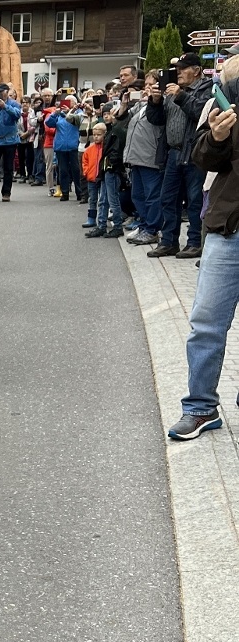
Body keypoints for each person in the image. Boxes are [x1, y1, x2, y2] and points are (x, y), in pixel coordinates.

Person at [167, 90, 239, 440]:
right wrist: (217, 136)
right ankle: (200, 407)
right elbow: (202, 158)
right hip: (228, 228)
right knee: (206, 323)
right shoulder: (230, 97)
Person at [149, 53, 213, 259]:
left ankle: (195, 243)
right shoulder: (172, 90)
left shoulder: (207, 89)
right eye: (176, 69)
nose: (178, 72)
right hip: (173, 152)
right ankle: (169, 242)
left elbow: (202, 113)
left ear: (196, 70)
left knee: (195, 200)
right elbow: (156, 120)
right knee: (168, 199)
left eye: (183, 68)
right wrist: (155, 102)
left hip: (195, 153)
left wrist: (181, 96)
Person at [122, 72, 166, 246]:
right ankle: (144, 225)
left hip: (150, 157)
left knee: (152, 196)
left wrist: (154, 100)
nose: (147, 88)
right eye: (146, 85)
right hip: (135, 157)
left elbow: (158, 120)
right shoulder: (141, 106)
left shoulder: (161, 104)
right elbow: (122, 119)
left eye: (151, 85)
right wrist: (124, 103)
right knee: (138, 196)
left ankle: (152, 229)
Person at [88, 106, 126, 238]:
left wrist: (112, 164)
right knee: (103, 199)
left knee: (112, 199)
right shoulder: (110, 130)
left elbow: (117, 150)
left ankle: (117, 226)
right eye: (104, 114)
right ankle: (101, 226)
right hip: (106, 168)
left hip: (112, 169)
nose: (106, 116)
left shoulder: (118, 130)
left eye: (109, 113)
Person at [45, 97, 82, 202]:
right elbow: (48, 123)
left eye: (71, 102)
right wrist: (55, 113)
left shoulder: (79, 114)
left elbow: (79, 122)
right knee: (62, 170)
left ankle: (80, 192)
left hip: (74, 146)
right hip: (61, 146)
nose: (68, 104)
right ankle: (64, 192)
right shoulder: (59, 115)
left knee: (76, 170)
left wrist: (70, 112)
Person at [82, 122, 106, 229]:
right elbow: (85, 162)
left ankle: (102, 218)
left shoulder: (105, 149)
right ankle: (91, 218)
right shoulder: (89, 150)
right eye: (94, 135)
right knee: (92, 199)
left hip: (102, 178)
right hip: (91, 178)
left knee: (103, 200)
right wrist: (86, 172)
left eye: (99, 135)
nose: (96, 137)